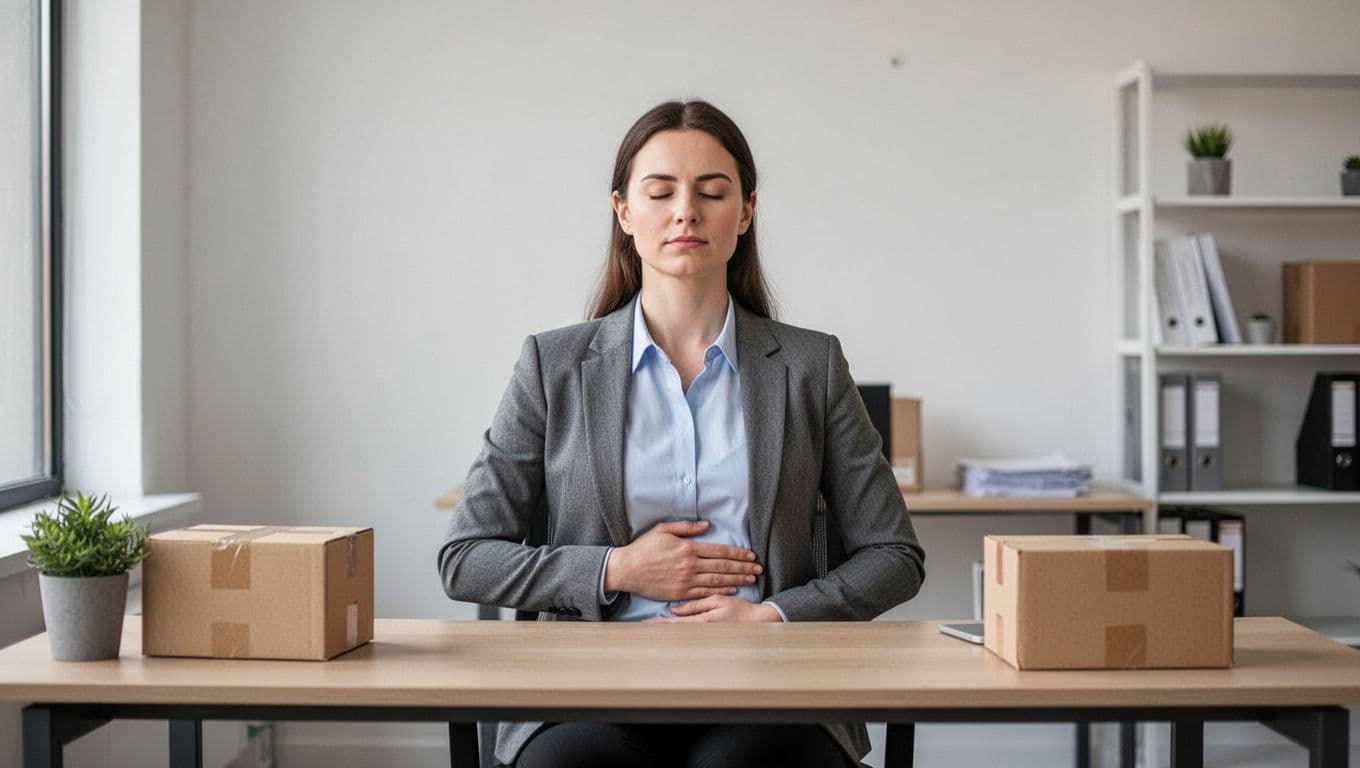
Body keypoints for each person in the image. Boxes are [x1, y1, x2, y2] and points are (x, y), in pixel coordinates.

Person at [438, 100, 925, 768]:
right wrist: (617, 568)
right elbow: (466, 557)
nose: (685, 212)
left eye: (712, 192)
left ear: (746, 212)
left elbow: (894, 554)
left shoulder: (810, 366)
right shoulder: (552, 366)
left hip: (771, 684)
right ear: (624, 212)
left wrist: (774, 617)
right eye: (660, 191)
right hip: (589, 690)